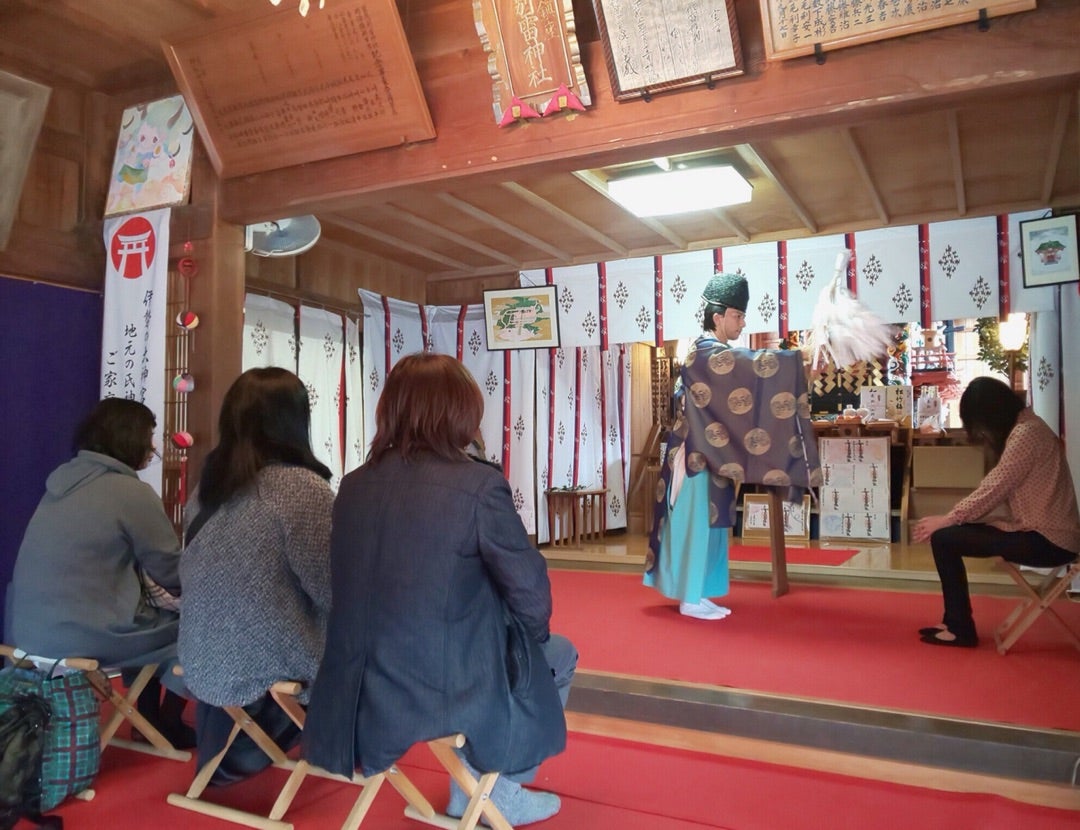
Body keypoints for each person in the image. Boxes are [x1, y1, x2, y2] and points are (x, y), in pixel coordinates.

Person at [303, 352, 576, 826]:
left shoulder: (353, 486)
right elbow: (531, 594)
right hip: (442, 682)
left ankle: (473, 786)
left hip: (357, 678)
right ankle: (496, 789)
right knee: (558, 653)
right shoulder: (478, 486)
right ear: (462, 414)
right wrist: (525, 643)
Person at [5, 397, 193, 745]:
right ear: (130, 440)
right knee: (194, 629)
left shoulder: (60, 484)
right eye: (149, 438)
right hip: (81, 635)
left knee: (149, 619)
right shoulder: (131, 493)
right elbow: (174, 573)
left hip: (25, 634)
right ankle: (165, 722)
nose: (152, 448)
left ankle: (148, 719)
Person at [178, 367, 334, 783]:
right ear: (296, 422)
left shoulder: (207, 489)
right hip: (266, 674)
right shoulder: (301, 489)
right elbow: (335, 591)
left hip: (202, 662)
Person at [912, 376, 1080, 647]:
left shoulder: (1026, 434)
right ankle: (955, 622)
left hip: (1048, 540)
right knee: (949, 535)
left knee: (945, 538)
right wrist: (953, 520)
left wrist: (948, 519)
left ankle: (959, 627)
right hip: (1044, 533)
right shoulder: (1028, 427)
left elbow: (995, 487)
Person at [645, 272, 748, 620]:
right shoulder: (704, 354)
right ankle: (690, 597)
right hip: (694, 454)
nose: (742, 322)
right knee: (695, 523)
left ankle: (700, 591)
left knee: (712, 524)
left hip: (712, 453)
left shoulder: (716, 353)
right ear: (717, 317)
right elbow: (749, 371)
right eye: (737, 315)